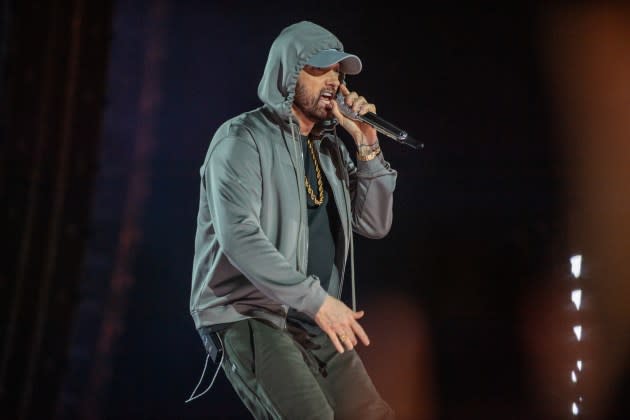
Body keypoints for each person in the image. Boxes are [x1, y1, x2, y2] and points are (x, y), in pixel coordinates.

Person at [189, 20, 398, 419]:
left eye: (338, 71)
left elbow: (374, 224)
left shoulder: (329, 149)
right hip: (250, 313)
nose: (333, 81)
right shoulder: (241, 139)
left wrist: (367, 145)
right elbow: (240, 238)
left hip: (314, 317)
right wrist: (318, 301)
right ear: (287, 73)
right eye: (319, 69)